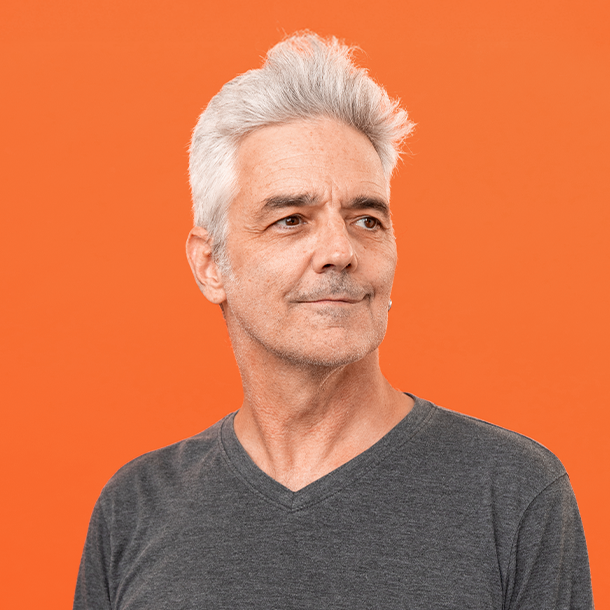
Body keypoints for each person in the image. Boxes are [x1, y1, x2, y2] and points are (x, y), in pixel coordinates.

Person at [74, 33, 593, 609]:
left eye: (367, 219)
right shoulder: (134, 509)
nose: (340, 251)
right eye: (292, 219)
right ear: (210, 264)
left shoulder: (515, 494)